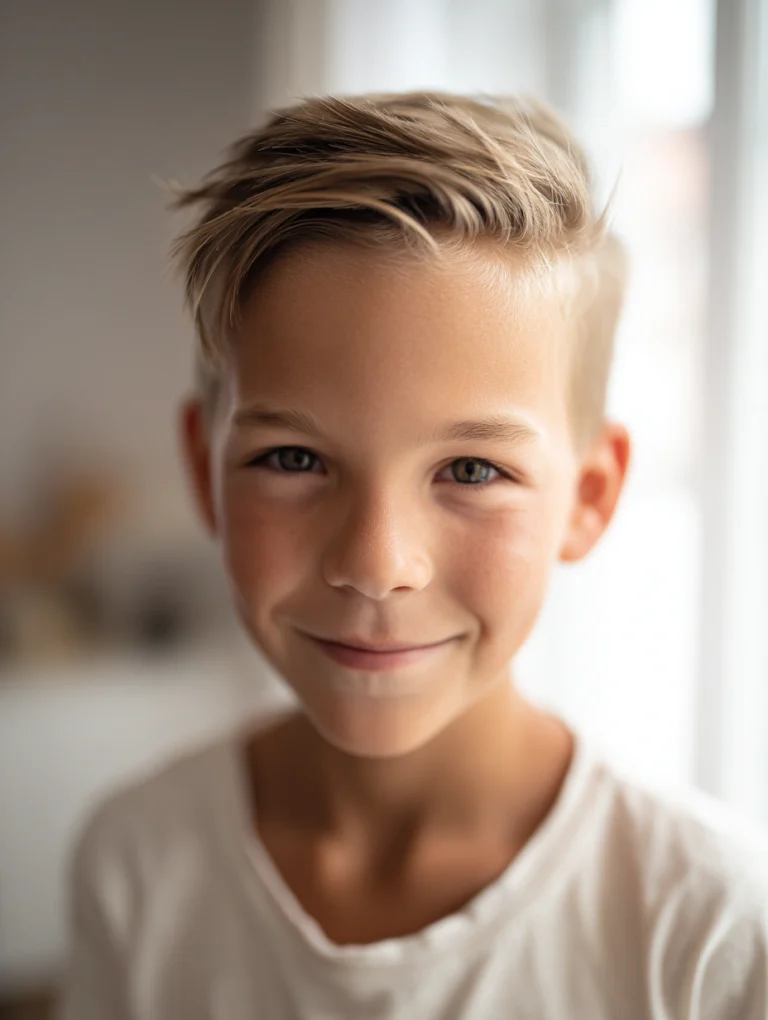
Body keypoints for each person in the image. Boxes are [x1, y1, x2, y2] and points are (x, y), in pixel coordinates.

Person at [57, 91, 768, 1020]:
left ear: (589, 498)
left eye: (471, 470)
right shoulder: (136, 864)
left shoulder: (709, 930)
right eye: (293, 459)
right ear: (204, 471)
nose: (376, 562)